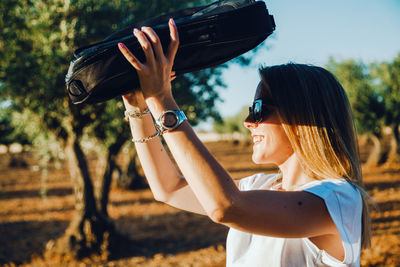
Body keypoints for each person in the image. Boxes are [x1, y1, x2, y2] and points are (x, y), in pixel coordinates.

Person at [117, 18, 371, 267]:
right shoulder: (258, 186)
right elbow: (169, 188)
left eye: (259, 109)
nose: (248, 121)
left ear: (303, 116)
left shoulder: (339, 200)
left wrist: (162, 99)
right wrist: (138, 109)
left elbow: (225, 207)